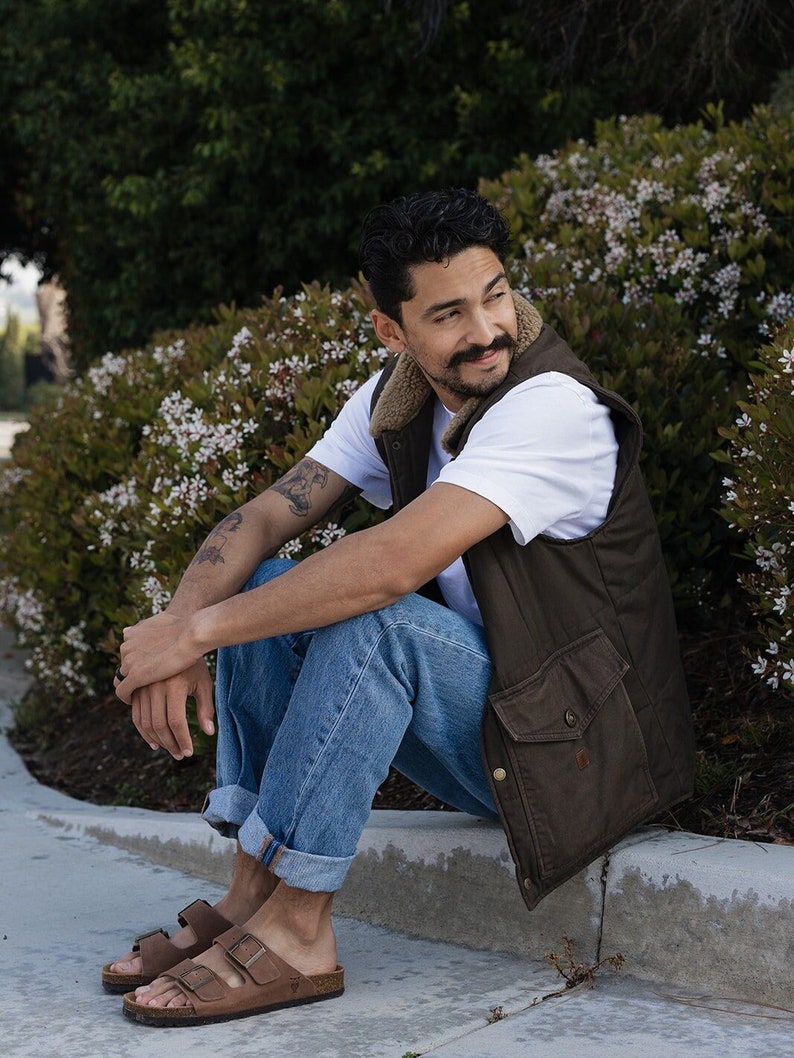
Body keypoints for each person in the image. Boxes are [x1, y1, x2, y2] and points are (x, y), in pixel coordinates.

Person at [109, 188, 694, 1027]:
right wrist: (181, 627)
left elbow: (389, 567)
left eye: (496, 294)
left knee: (377, 619)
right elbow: (266, 514)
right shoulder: (403, 398)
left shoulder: (551, 407)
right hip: (512, 722)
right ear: (393, 330)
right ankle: (252, 892)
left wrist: (192, 635)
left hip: (591, 752)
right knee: (269, 580)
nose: (487, 329)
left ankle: (302, 927)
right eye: (449, 313)